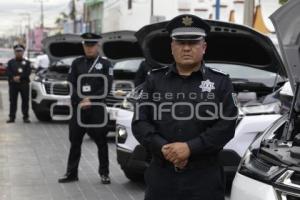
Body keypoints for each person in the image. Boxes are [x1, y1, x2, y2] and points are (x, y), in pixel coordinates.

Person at [132, 14, 238, 200]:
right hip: (161, 176)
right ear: (172, 47)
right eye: (180, 42)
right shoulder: (153, 80)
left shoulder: (221, 82)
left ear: (203, 47)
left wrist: (190, 148)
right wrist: (163, 147)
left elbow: (226, 125)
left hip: (204, 178)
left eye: (193, 42)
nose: (187, 48)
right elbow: (140, 121)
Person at [58, 33, 113, 184]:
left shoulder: (106, 64)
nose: (89, 48)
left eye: (92, 45)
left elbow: (107, 86)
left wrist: (91, 99)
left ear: (97, 46)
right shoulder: (76, 63)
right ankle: (71, 173)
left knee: (101, 142)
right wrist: (81, 99)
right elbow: (71, 84)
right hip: (79, 108)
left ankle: (104, 173)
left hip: (96, 110)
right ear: (84, 46)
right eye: (86, 46)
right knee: (75, 141)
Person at [6, 44, 31, 123]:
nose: (19, 53)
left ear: (23, 52)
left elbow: (28, 72)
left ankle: (25, 117)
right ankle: (12, 117)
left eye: (20, 51)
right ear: (14, 52)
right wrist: (13, 77)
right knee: (13, 101)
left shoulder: (27, 62)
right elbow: (8, 71)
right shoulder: (10, 62)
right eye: (17, 51)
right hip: (13, 84)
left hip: (24, 84)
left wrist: (20, 77)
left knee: (25, 101)